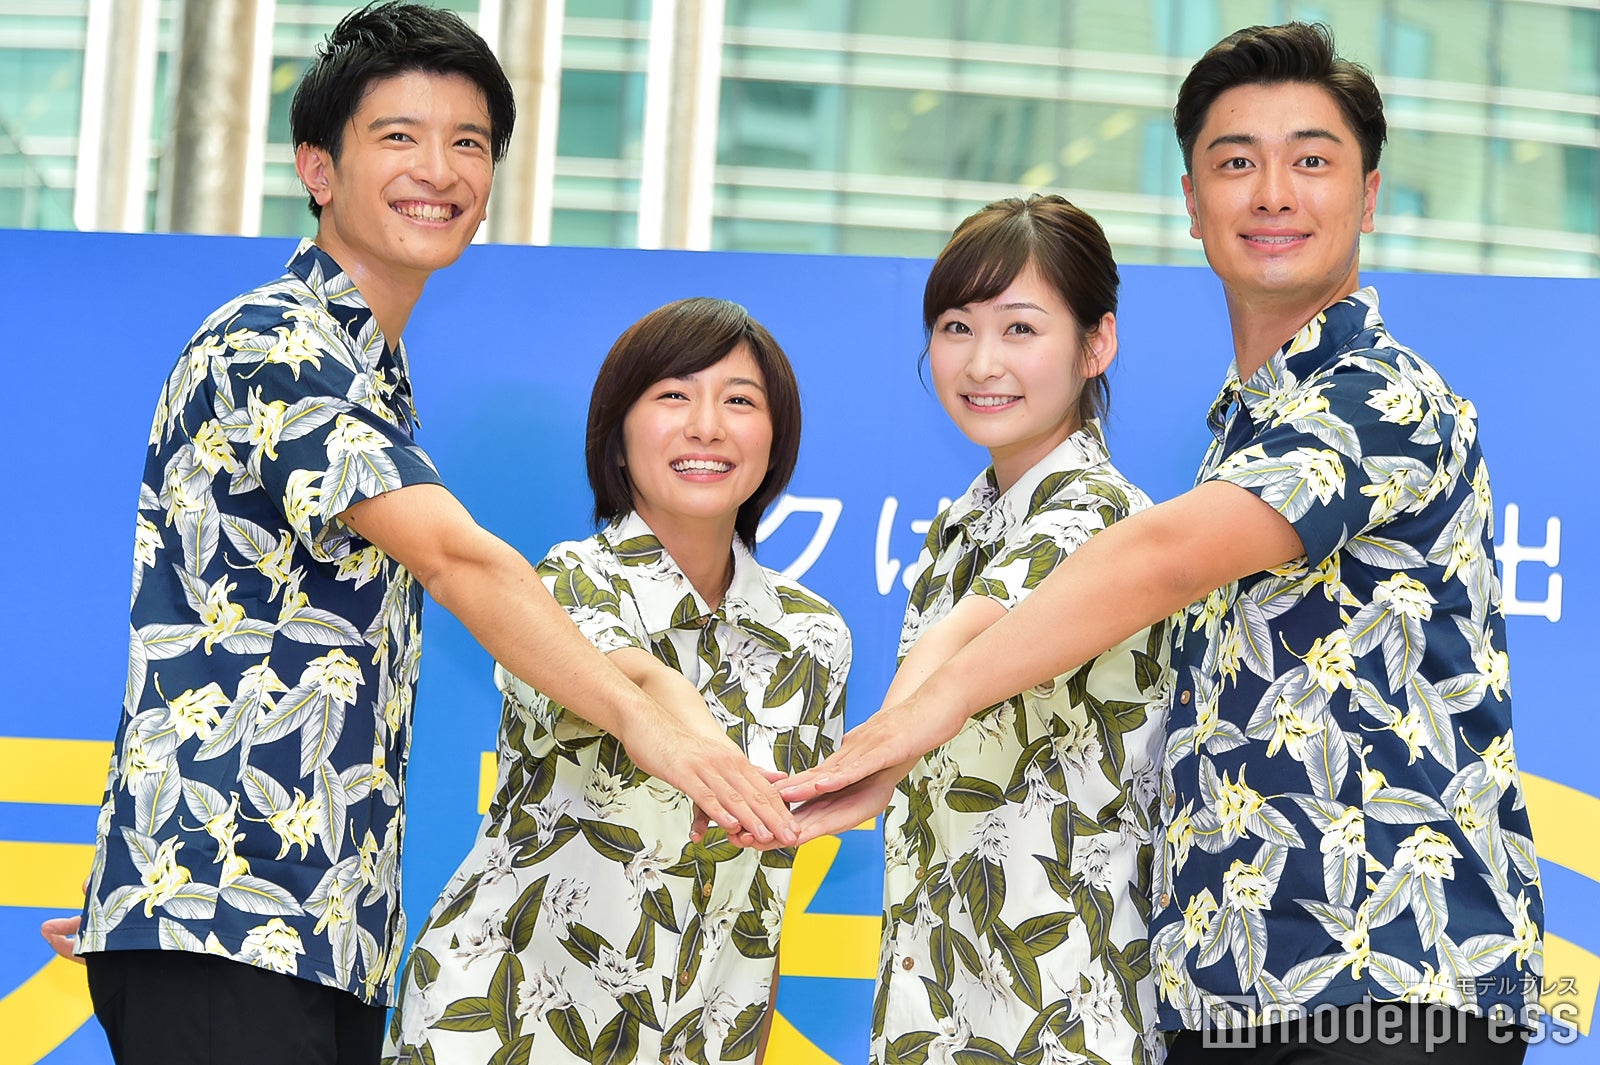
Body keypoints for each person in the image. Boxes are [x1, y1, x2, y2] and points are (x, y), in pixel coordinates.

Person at [778, 22, 1543, 1064]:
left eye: (1311, 162)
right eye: (1236, 163)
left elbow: (1155, 560)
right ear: (1190, 200)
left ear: (1367, 197)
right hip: (1226, 987)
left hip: (1391, 980)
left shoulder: (1380, 395)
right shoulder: (1242, 431)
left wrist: (917, 719)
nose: (1271, 193)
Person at [44, 6, 796, 1063]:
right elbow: (456, 557)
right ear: (318, 167)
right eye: (398, 136)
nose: (438, 170)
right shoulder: (272, 342)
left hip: (318, 928)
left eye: (468, 142)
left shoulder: (373, 378)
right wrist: (648, 725)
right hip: (230, 919)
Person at [383, 297, 850, 1065]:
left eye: (740, 401)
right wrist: (697, 742)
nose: (707, 425)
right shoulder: (566, 582)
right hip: (503, 1026)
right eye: (673, 395)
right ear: (619, 437)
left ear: (776, 440)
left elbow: (765, 895)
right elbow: (632, 677)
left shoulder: (815, 638)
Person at [855, 195, 1169, 1064]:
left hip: (1060, 1007)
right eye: (956, 326)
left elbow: (955, 647)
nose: (982, 361)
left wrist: (852, 769)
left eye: (1020, 328)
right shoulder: (960, 525)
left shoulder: (1103, 513)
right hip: (941, 990)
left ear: (1096, 344)